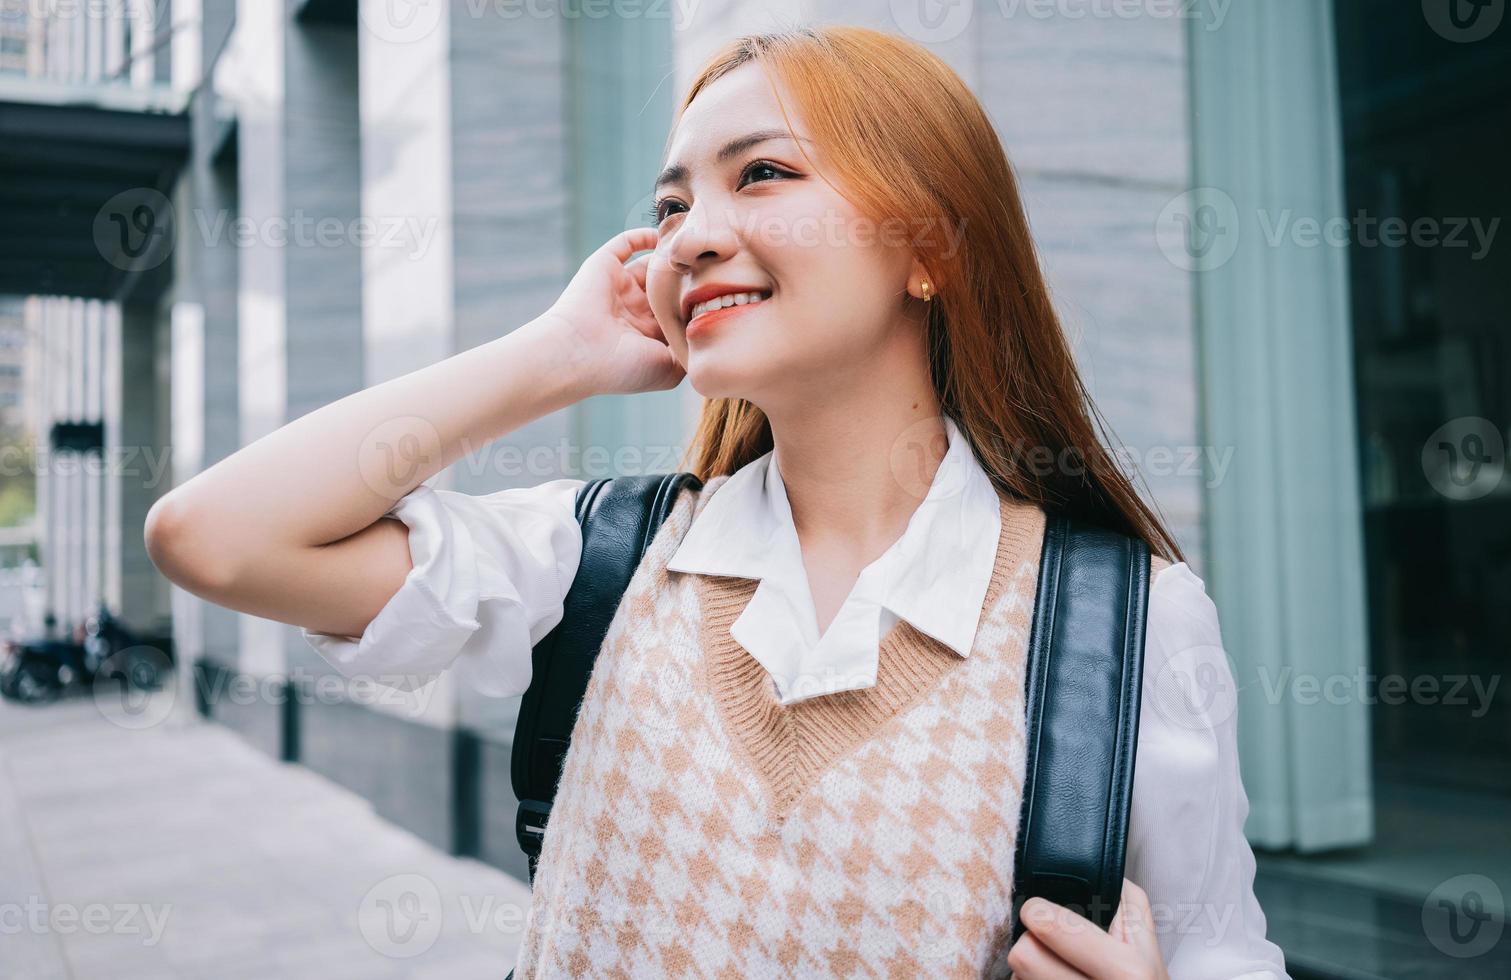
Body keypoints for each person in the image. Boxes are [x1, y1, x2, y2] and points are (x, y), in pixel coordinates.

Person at [146, 25, 1290, 980]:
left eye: (761, 172)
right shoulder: (591, 563)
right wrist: (556, 351)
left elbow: (1221, 948)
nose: (689, 234)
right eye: (671, 200)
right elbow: (215, 537)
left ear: (927, 249)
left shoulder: (1118, 621)